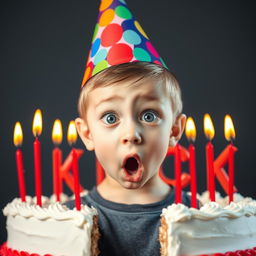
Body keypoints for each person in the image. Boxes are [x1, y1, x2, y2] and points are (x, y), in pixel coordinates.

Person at [66, 61, 190, 256]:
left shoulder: (202, 217)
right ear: (88, 134)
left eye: (149, 116)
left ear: (174, 130)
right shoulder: (63, 220)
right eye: (110, 117)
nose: (131, 134)